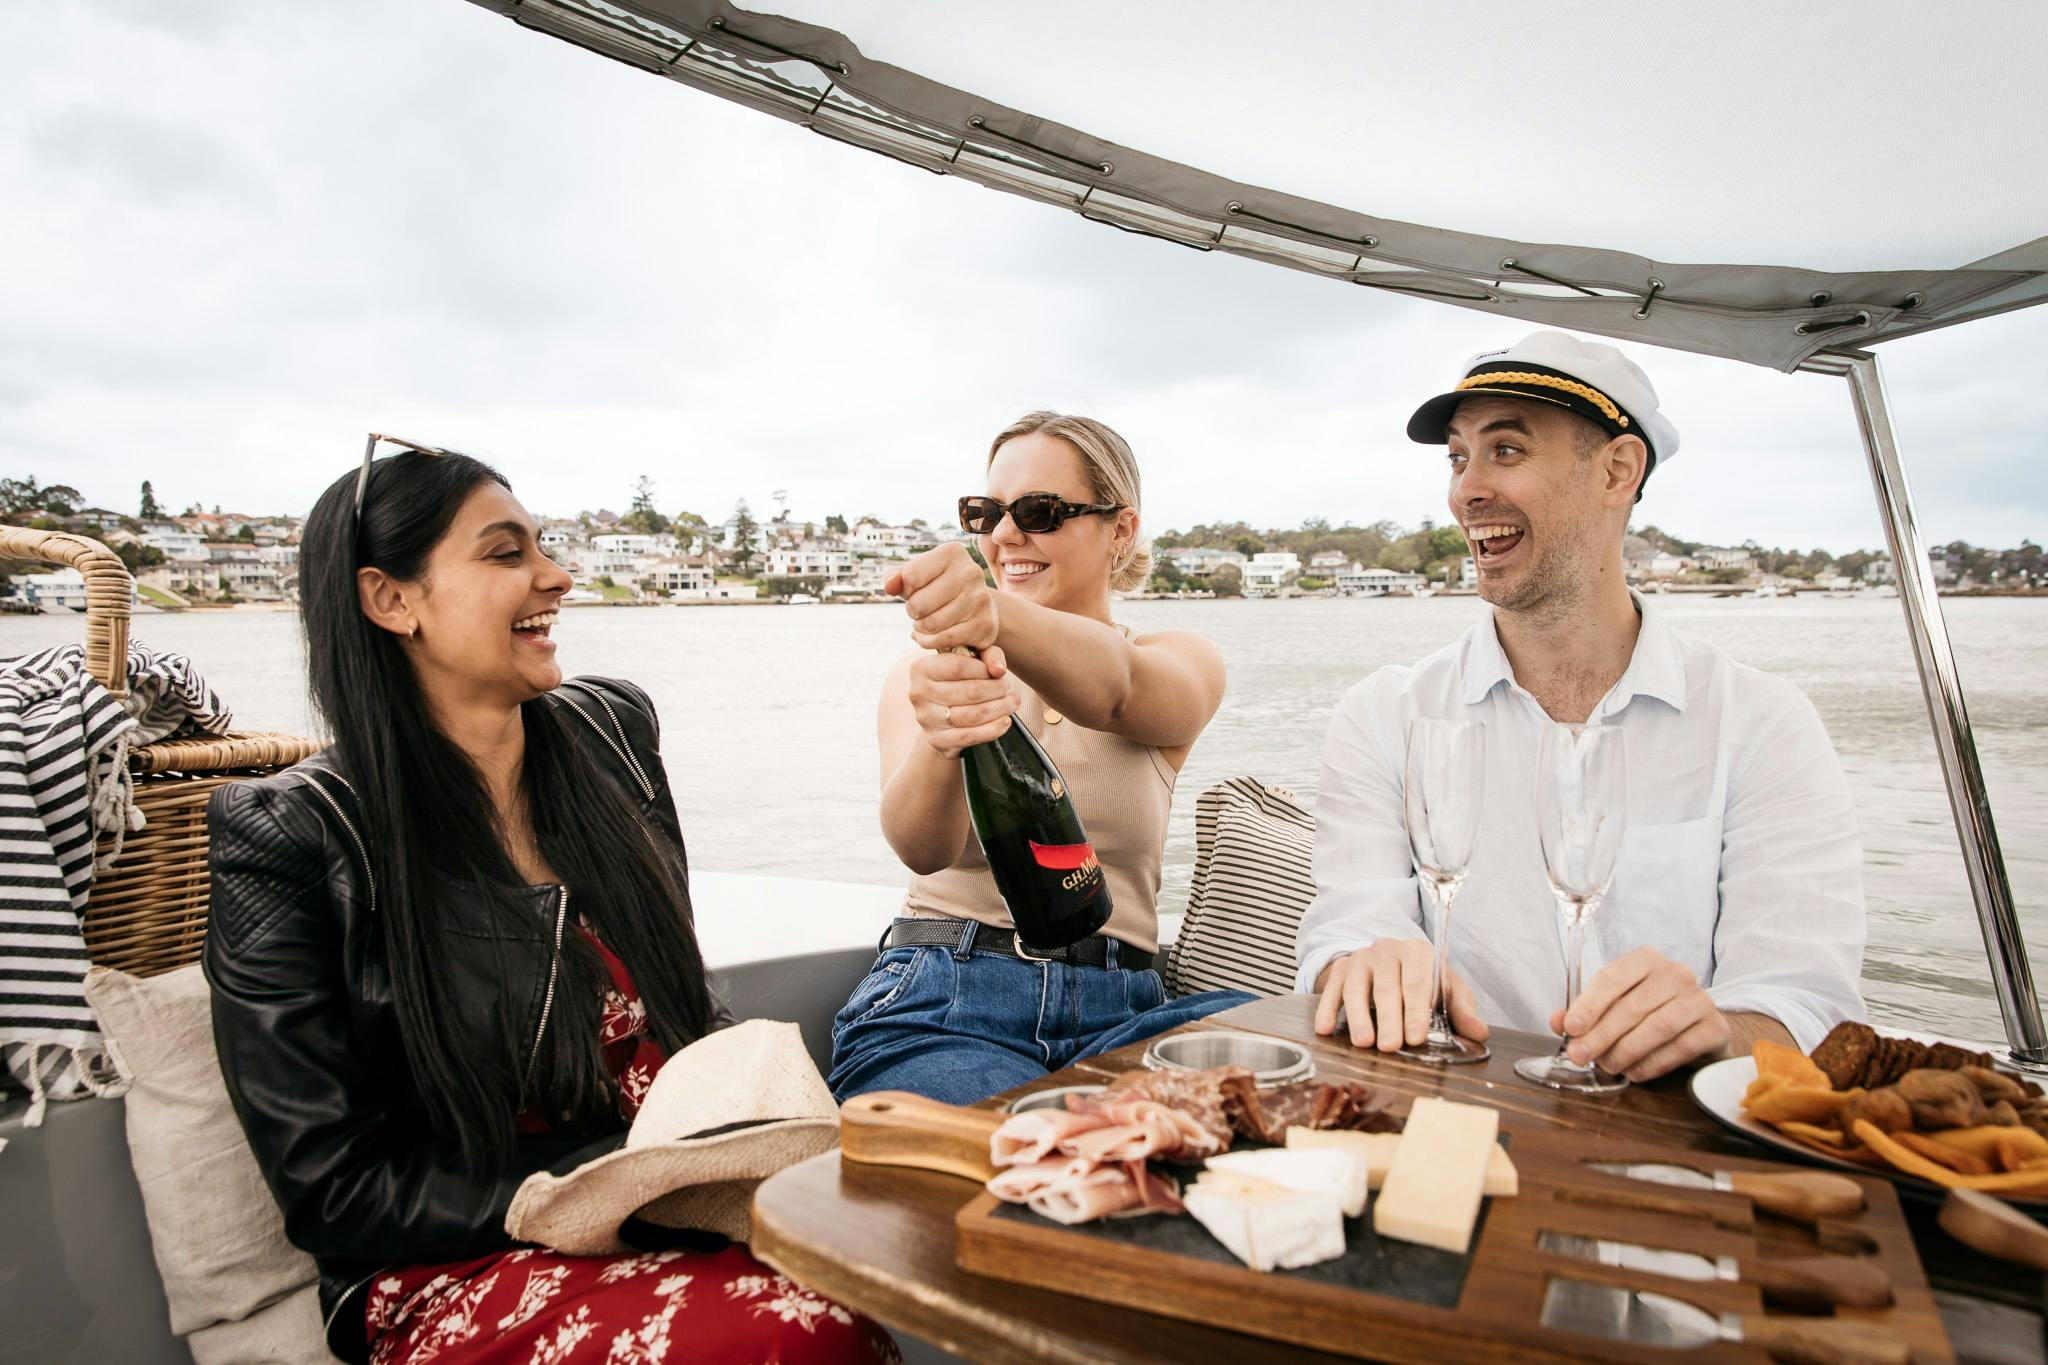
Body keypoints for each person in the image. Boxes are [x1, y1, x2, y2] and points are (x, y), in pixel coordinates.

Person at [205, 442, 894, 1365]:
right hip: (462, 1257)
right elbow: (334, 1193)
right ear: (391, 599)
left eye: (545, 545)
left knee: (899, 1265)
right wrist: (613, 1189)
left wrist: (731, 1154)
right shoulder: (298, 832)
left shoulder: (611, 737)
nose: (557, 576)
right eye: (505, 553)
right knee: (795, 1331)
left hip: (694, 1202)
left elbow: (680, 1003)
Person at [1298, 332, 1866, 1081]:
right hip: (1454, 1130)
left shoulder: (1761, 724)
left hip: (1680, 1153)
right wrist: (1365, 964)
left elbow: (1807, 1004)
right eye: (1458, 456)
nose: (1465, 490)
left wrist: (1716, 1030)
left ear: (1617, 471)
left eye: (1506, 450)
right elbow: (1346, 930)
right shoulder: (1383, 717)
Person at [830, 411, 1253, 1105]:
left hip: (1126, 1015)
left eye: (1039, 511)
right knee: (1015, 1150)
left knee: (1305, 1064)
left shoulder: (1177, 660)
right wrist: (945, 735)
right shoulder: (929, 674)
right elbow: (923, 848)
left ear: (1121, 529)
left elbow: (1117, 692)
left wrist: (991, 614)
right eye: (988, 512)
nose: (1003, 535)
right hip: (947, 999)